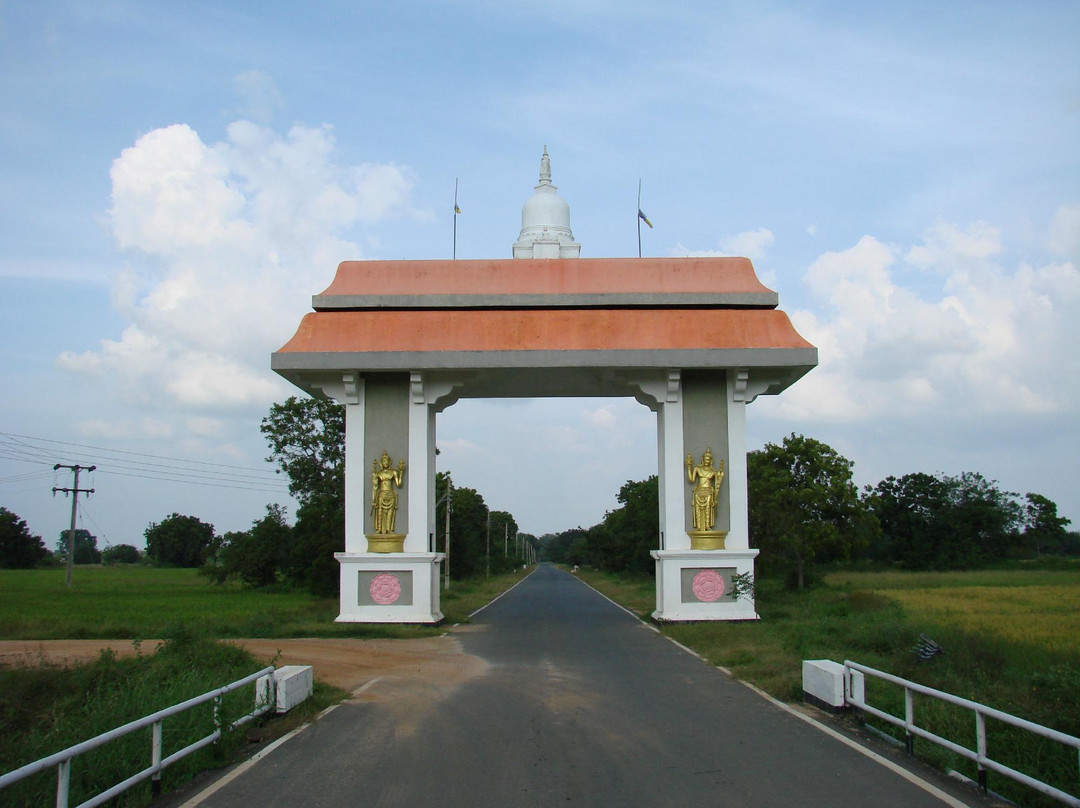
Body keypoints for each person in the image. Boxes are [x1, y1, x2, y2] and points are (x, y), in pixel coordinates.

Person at [686, 448, 724, 532]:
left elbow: (717, 484)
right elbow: (691, 480)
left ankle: (707, 525)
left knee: (708, 509)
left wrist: (720, 475)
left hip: (708, 491)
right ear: (702, 459)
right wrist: (689, 467)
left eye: (708, 459)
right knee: (697, 509)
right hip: (699, 490)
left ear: (711, 461)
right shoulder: (697, 469)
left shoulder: (713, 471)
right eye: (705, 459)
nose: (707, 460)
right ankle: (699, 526)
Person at [371, 451, 406, 534]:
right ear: (381, 463)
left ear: (389, 462)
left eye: (386, 461)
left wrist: (401, 473)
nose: (385, 463)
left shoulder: (393, 472)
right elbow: (375, 487)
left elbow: (399, 484)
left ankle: (389, 529)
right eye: (383, 461)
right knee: (379, 510)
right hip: (381, 493)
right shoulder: (379, 473)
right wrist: (374, 478)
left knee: (391, 511)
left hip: (390, 494)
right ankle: (379, 529)